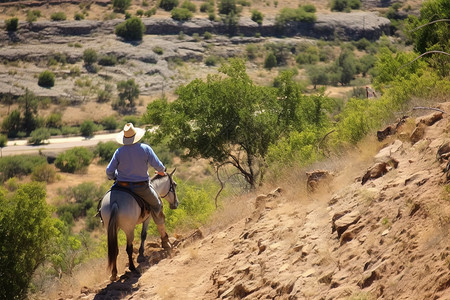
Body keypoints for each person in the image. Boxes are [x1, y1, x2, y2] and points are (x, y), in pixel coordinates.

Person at [106, 122, 171, 249]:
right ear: (136, 136)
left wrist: (114, 177)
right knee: (157, 206)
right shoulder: (145, 149)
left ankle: (103, 217)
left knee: (107, 200)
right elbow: (159, 166)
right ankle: (164, 238)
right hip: (141, 187)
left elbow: (109, 171)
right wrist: (161, 172)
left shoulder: (118, 152)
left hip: (121, 186)